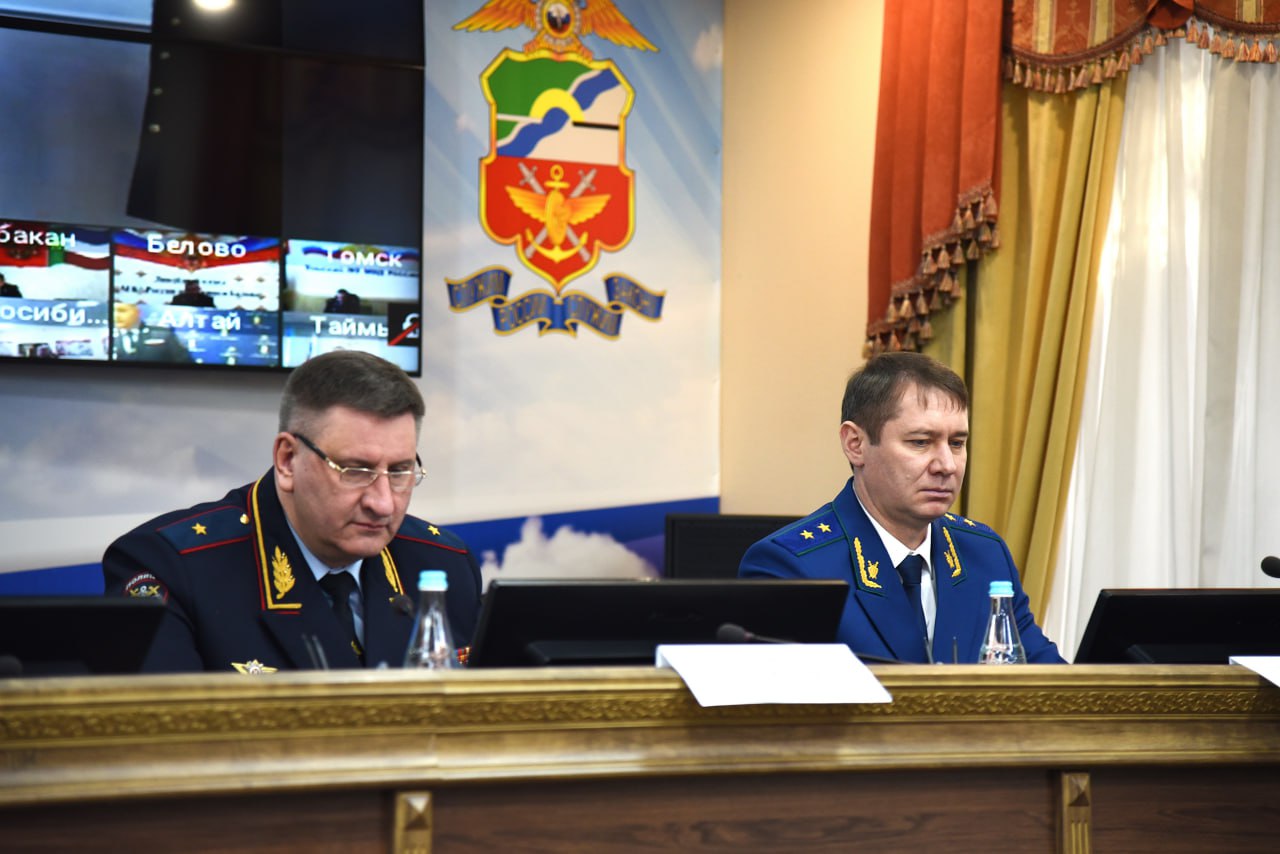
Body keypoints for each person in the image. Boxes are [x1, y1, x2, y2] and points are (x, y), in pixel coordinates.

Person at [103, 350, 483, 672]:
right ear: (287, 460)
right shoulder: (173, 569)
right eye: (355, 471)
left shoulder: (446, 564)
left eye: (399, 471)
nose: (383, 503)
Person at [739, 352, 1064, 664]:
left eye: (957, 443)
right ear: (855, 444)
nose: (947, 465)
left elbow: (1048, 680)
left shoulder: (984, 553)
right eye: (920, 442)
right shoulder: (792, 567)